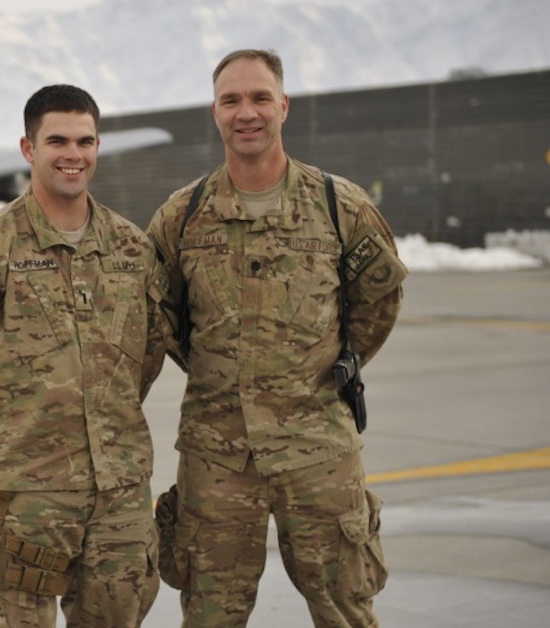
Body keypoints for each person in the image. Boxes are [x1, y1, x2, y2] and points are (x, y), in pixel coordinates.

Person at [145, 49, 406, 627]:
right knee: (211, 614)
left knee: (346, 610)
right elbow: (159, 318)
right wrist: (220, 370)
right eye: (231, 99)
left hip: (319, 450)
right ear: (213, 112)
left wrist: (324, 367)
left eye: (260, 97)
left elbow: (377, 302)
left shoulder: (342, 208)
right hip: (217, 458)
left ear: (283, 106)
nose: (247, 112)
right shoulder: (181, 217)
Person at [0, 84, 169, 627]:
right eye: (57, 140)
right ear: (29, 148)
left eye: (85, 141)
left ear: (97, 146)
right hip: (21, 496)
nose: (72, 154)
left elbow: (145, 358)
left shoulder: (132, 248)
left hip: (118, 494)